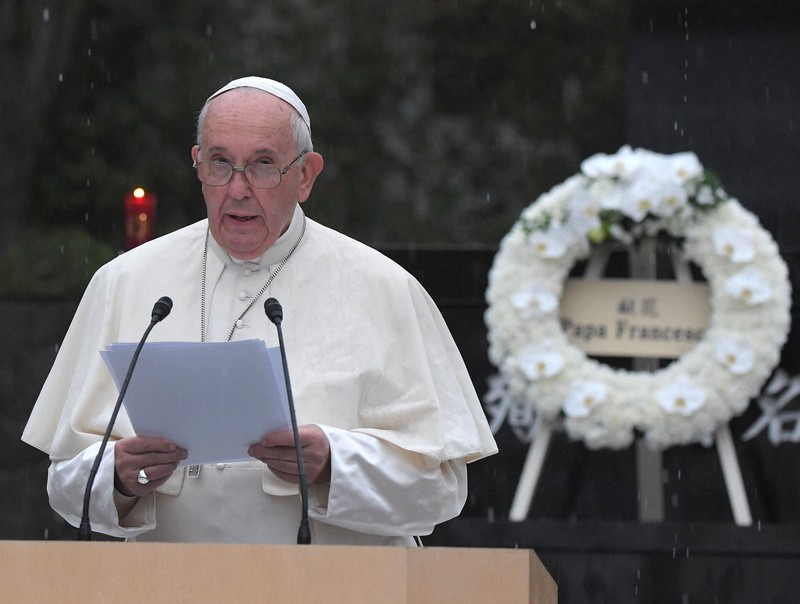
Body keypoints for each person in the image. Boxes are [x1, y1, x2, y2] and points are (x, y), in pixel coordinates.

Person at [21, 76, 497, 545]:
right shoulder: (125, 282)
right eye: (220, 163)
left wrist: (333, 464)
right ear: (197, 165)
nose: (238, 188)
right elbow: (65, 486)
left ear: (306, 175)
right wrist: (119, 478)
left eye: (264, 165)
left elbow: (440, 491)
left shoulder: (385, 289)